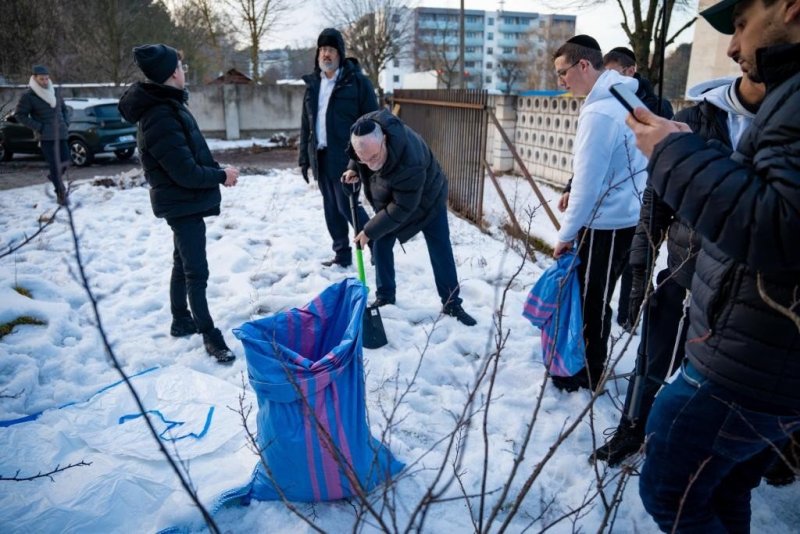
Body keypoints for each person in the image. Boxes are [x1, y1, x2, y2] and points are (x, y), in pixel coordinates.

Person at [625, 0, 800, 530]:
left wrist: (672, 155)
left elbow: (777, 227)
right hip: (761, 358)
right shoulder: (783, 95)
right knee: (724, 487)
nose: (731, 46)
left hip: (745, 367)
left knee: (668, 489)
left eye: (743, 24)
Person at [590, 74, 765, 467]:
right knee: (651, 357)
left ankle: (710, 451)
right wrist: (639, 279)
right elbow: (654, 207)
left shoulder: (781, 128)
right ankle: (631, 430)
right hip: (683, 275)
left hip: (744, 291)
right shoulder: (694, 120)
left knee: (716, 379)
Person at [118, 44, 239, 364]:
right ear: (173, 72)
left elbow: (189, 156)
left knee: (181, 262)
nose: (184, 71)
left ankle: (180, 319)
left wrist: (216, 171)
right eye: (182, 67)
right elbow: (185, 172)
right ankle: (210, 335)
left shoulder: (167, 107)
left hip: (182, 202)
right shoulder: (160, 115)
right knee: (196, 271)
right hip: (182, 203)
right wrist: (220, 175)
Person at [550, 35, 648, 392]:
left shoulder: (599, 112)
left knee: (593, 301)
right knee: (596, 297)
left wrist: (566, 234)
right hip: (623, 217)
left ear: (584, 65)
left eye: (563, 72)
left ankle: (587, 373)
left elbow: (587, 185)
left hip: (607, 223)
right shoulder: (623, 97)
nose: (560, 81)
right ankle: (586, 365)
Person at [341, 110, 477, 326]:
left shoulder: (409, 159)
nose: (371, 164)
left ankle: (452, 303)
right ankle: (385, 297)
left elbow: (402, 208)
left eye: (374, 157)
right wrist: (353, 168)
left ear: (384, 139)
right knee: (382, 243)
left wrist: (368, 231)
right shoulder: (363, 130)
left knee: (440, 247)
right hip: (396, 197)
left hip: (428, 199)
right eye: (364, 160)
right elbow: (356, 153)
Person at [299, 28, 379, 268]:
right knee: (331, 208)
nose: (326, 54)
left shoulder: (356, 83)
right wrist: (304, 158)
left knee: (348, 206)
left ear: (340, 54)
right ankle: (342, 254)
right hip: (321, 156)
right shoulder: (313, 85)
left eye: (331, 50)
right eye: (322, 50)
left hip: (347, 157)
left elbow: (373, 120)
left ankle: (377, 246)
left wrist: (367, 157)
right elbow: (306, 124)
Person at [14, 65, 70, 205]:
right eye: (41, 79)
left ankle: (54, 177)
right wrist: (40, 127)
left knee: (66, 161)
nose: (45, 81)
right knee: (55, 165)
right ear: (34, 78)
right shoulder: (28, 96)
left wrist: (66, 122)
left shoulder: (55, 91)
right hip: (46, 136)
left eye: (46, 78)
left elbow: (64, 109)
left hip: (61, 134)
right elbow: (20, 115)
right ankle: (61, 193)